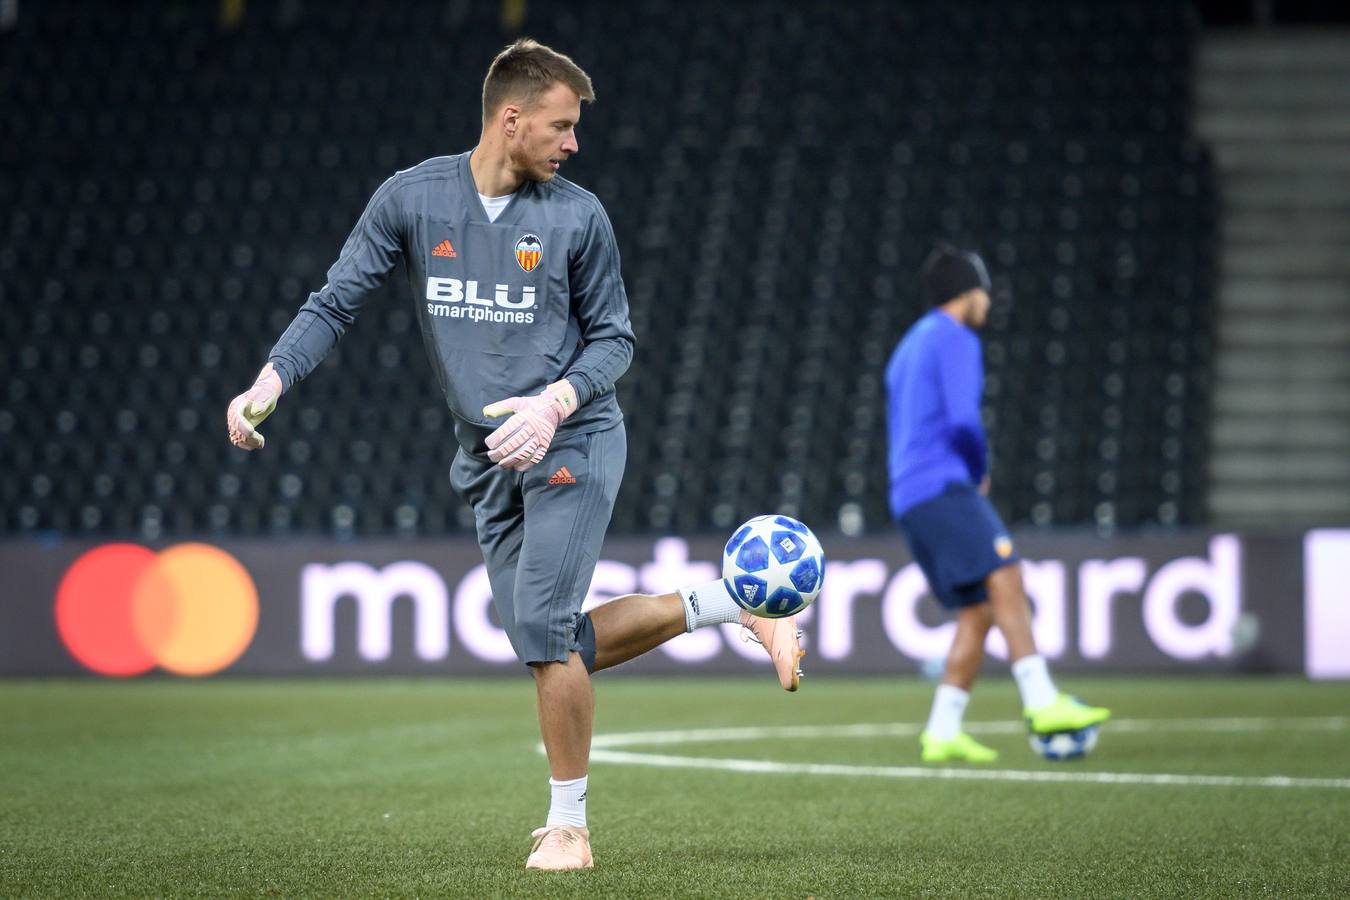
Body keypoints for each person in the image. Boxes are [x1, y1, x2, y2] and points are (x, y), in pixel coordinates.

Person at [225, 38, 803, 870]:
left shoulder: (579, 216)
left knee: (541, 634)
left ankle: (569, 826)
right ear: (512, 117)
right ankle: (733, 606)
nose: (574, 144)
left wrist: (556, 399)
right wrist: (269, 380)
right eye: (562, 126)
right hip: (487, 453)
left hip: (574, 435)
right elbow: (334, 302)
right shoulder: (412, 199)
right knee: (555, 639)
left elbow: (615, 342)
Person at [884, 244, 1109, 763]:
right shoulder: (956, 337)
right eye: (983, 290)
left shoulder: (907, 347)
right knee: (1005, 574)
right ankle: (1043, 699)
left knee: (979, 607)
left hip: (908, 493)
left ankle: (942, 731)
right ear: (966, 292)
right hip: (943, 482)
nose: (988, 301)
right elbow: (963, 419)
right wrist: (979, 467)